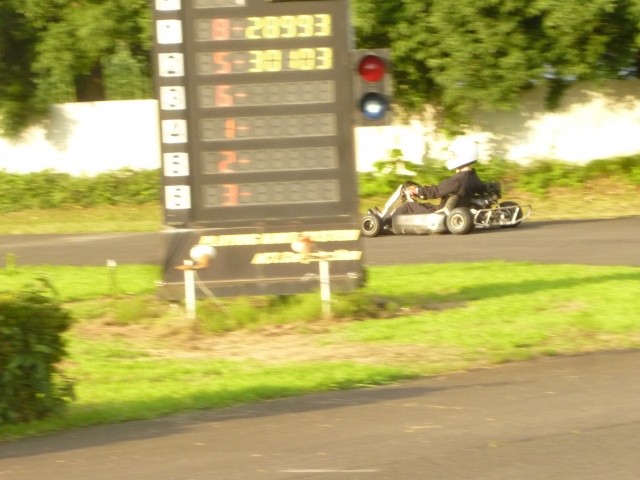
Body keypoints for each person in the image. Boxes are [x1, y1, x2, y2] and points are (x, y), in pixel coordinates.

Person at [382, 137, 486, 218]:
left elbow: (436, 191)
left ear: (461, 155)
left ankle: (384, 220)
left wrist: (417, 191)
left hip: (440, 213)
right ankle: (385, 218)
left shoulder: (457, 180)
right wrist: (420, 191)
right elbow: (481, 188)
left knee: (408, 206)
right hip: (452, 211)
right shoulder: (473, 178)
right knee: (421, 205)